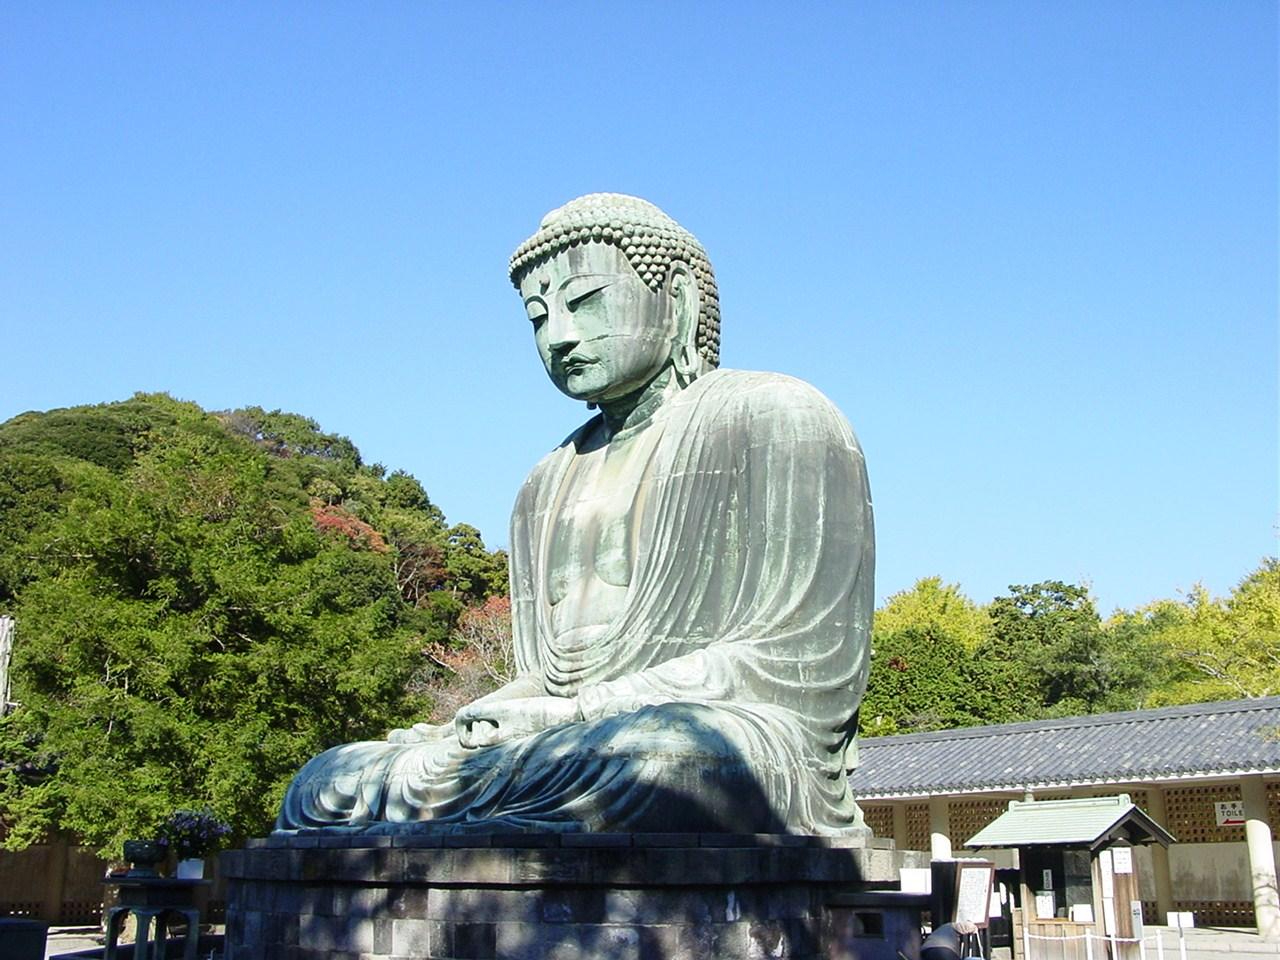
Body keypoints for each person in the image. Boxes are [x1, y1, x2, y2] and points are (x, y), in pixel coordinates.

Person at [277, 194, 874, 835]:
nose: (559, 336)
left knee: (659, 759)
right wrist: (473, 721)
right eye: (539, 317)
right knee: (331, 779)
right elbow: (546, 676)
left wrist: (577, 713)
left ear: (678, 298)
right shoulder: (546, 480)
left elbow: (801, 658)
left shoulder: (778, 417)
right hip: (562, 742)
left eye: (585, 302)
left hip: (717, 733)